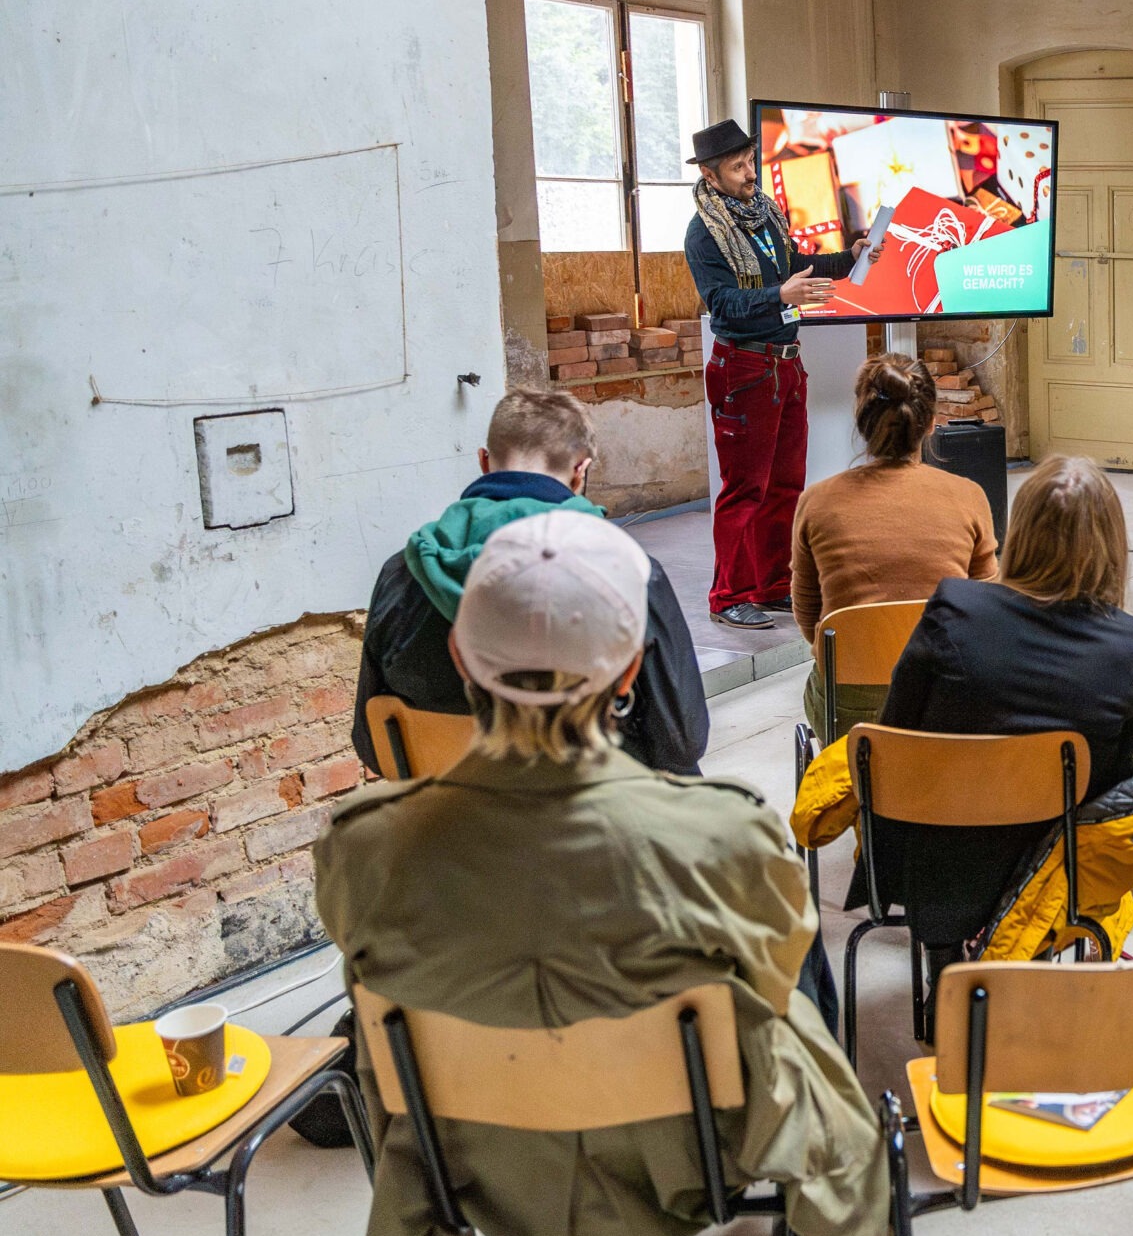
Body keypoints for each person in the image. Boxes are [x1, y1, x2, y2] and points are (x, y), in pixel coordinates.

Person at [316, 510, 903, 1236]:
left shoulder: (363, 849)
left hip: (477, 1168)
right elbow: (782, 968)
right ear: (630, 669)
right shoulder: (725, 833)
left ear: (466, 665)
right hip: (689, 1160)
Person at [873, 456, 1133, 953]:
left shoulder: (954, 609)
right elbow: (1112, 771)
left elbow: (894, 731)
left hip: (933, 866)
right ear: (1113, 546)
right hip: (1056, 878)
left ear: (1021, 531)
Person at [352, 388, 707, 776]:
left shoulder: (402, 571)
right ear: (579, 472)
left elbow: (372, 742)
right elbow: (683, 740)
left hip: (445, 816)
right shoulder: (626, 570)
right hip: (589, 817)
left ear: (485, 462)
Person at [790, 353, 998, 733]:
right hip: (945, 698)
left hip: (849, 706)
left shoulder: (816, 502)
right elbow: (985, 614)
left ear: (861, 421)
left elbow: (809, 616)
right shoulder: (969, 496)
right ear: (932, 423)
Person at [684, 118, 833, 629]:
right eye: (738, 166)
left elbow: (796, 264)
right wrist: (779, 296)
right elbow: (722, 302)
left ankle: (773, 585)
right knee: (744, 488)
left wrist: (849, 257)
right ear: (709, 173)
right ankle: (728, 596)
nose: (751, 174)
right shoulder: (705, 233)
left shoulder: (764, 214)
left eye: (751, 161)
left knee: (786, 486)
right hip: (743, 368)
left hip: (786, 364)